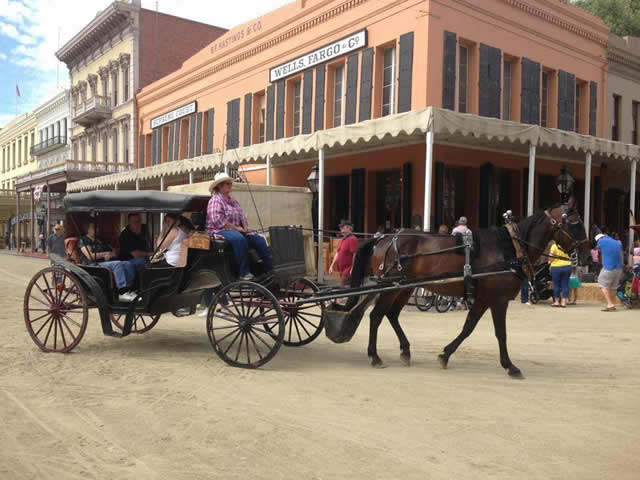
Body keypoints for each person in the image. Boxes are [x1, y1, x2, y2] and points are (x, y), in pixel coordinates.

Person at [205, 172, 273, 280]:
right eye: (227, 183)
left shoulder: (233, 201)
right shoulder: (215, 200)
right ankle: (244, 273)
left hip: (236, 230)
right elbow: (218, 221)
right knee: (239, 239)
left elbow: (242, 215)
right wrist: (237, 228)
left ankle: (270, 269)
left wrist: (245, 226)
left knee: (258, 239)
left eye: (230, 183)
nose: (230, 185)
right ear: (220, 186)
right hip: (218, 230)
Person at [78, 221, 138, 302]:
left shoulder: (100, 240)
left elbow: (113, 251)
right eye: (94, 227)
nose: (97, 229)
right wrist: (104, 254)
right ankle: (122, 292)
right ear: (87, 230)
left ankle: (129, 289)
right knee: (118, 264)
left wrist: (111, 254)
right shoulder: (83, 240)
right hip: (92, 265)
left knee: (128, 264)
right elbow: (90, 256)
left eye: (97, 227)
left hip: (106, 262)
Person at [596, 231, 623, 312]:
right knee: (614, 287)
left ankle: (610, 304)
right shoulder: (617, 242)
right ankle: (612, 304)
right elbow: (621, 254)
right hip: (618, 268)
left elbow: (598, 250)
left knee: (602, 284)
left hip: (608, 267)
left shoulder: (601, 241)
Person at [329, 220, 359, 286]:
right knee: (346, 288)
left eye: (343, 228)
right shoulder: (341, 240)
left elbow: (355, 254)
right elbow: (337, 253)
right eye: (341, 228)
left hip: (348, 269)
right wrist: (332, 265)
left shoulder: (352, 239)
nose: (341, 230)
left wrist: (352, 268)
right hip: (341, 269)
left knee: (342, 287)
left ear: (349, 228)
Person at [549, 240, 571, 307]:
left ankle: (557, 302)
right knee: (565, 284)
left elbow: (551, 256)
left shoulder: (554, 246)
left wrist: (549, 261)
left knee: (556, 285)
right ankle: (563, 302)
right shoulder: (568, 246)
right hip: (567, 266)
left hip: (556, 267)